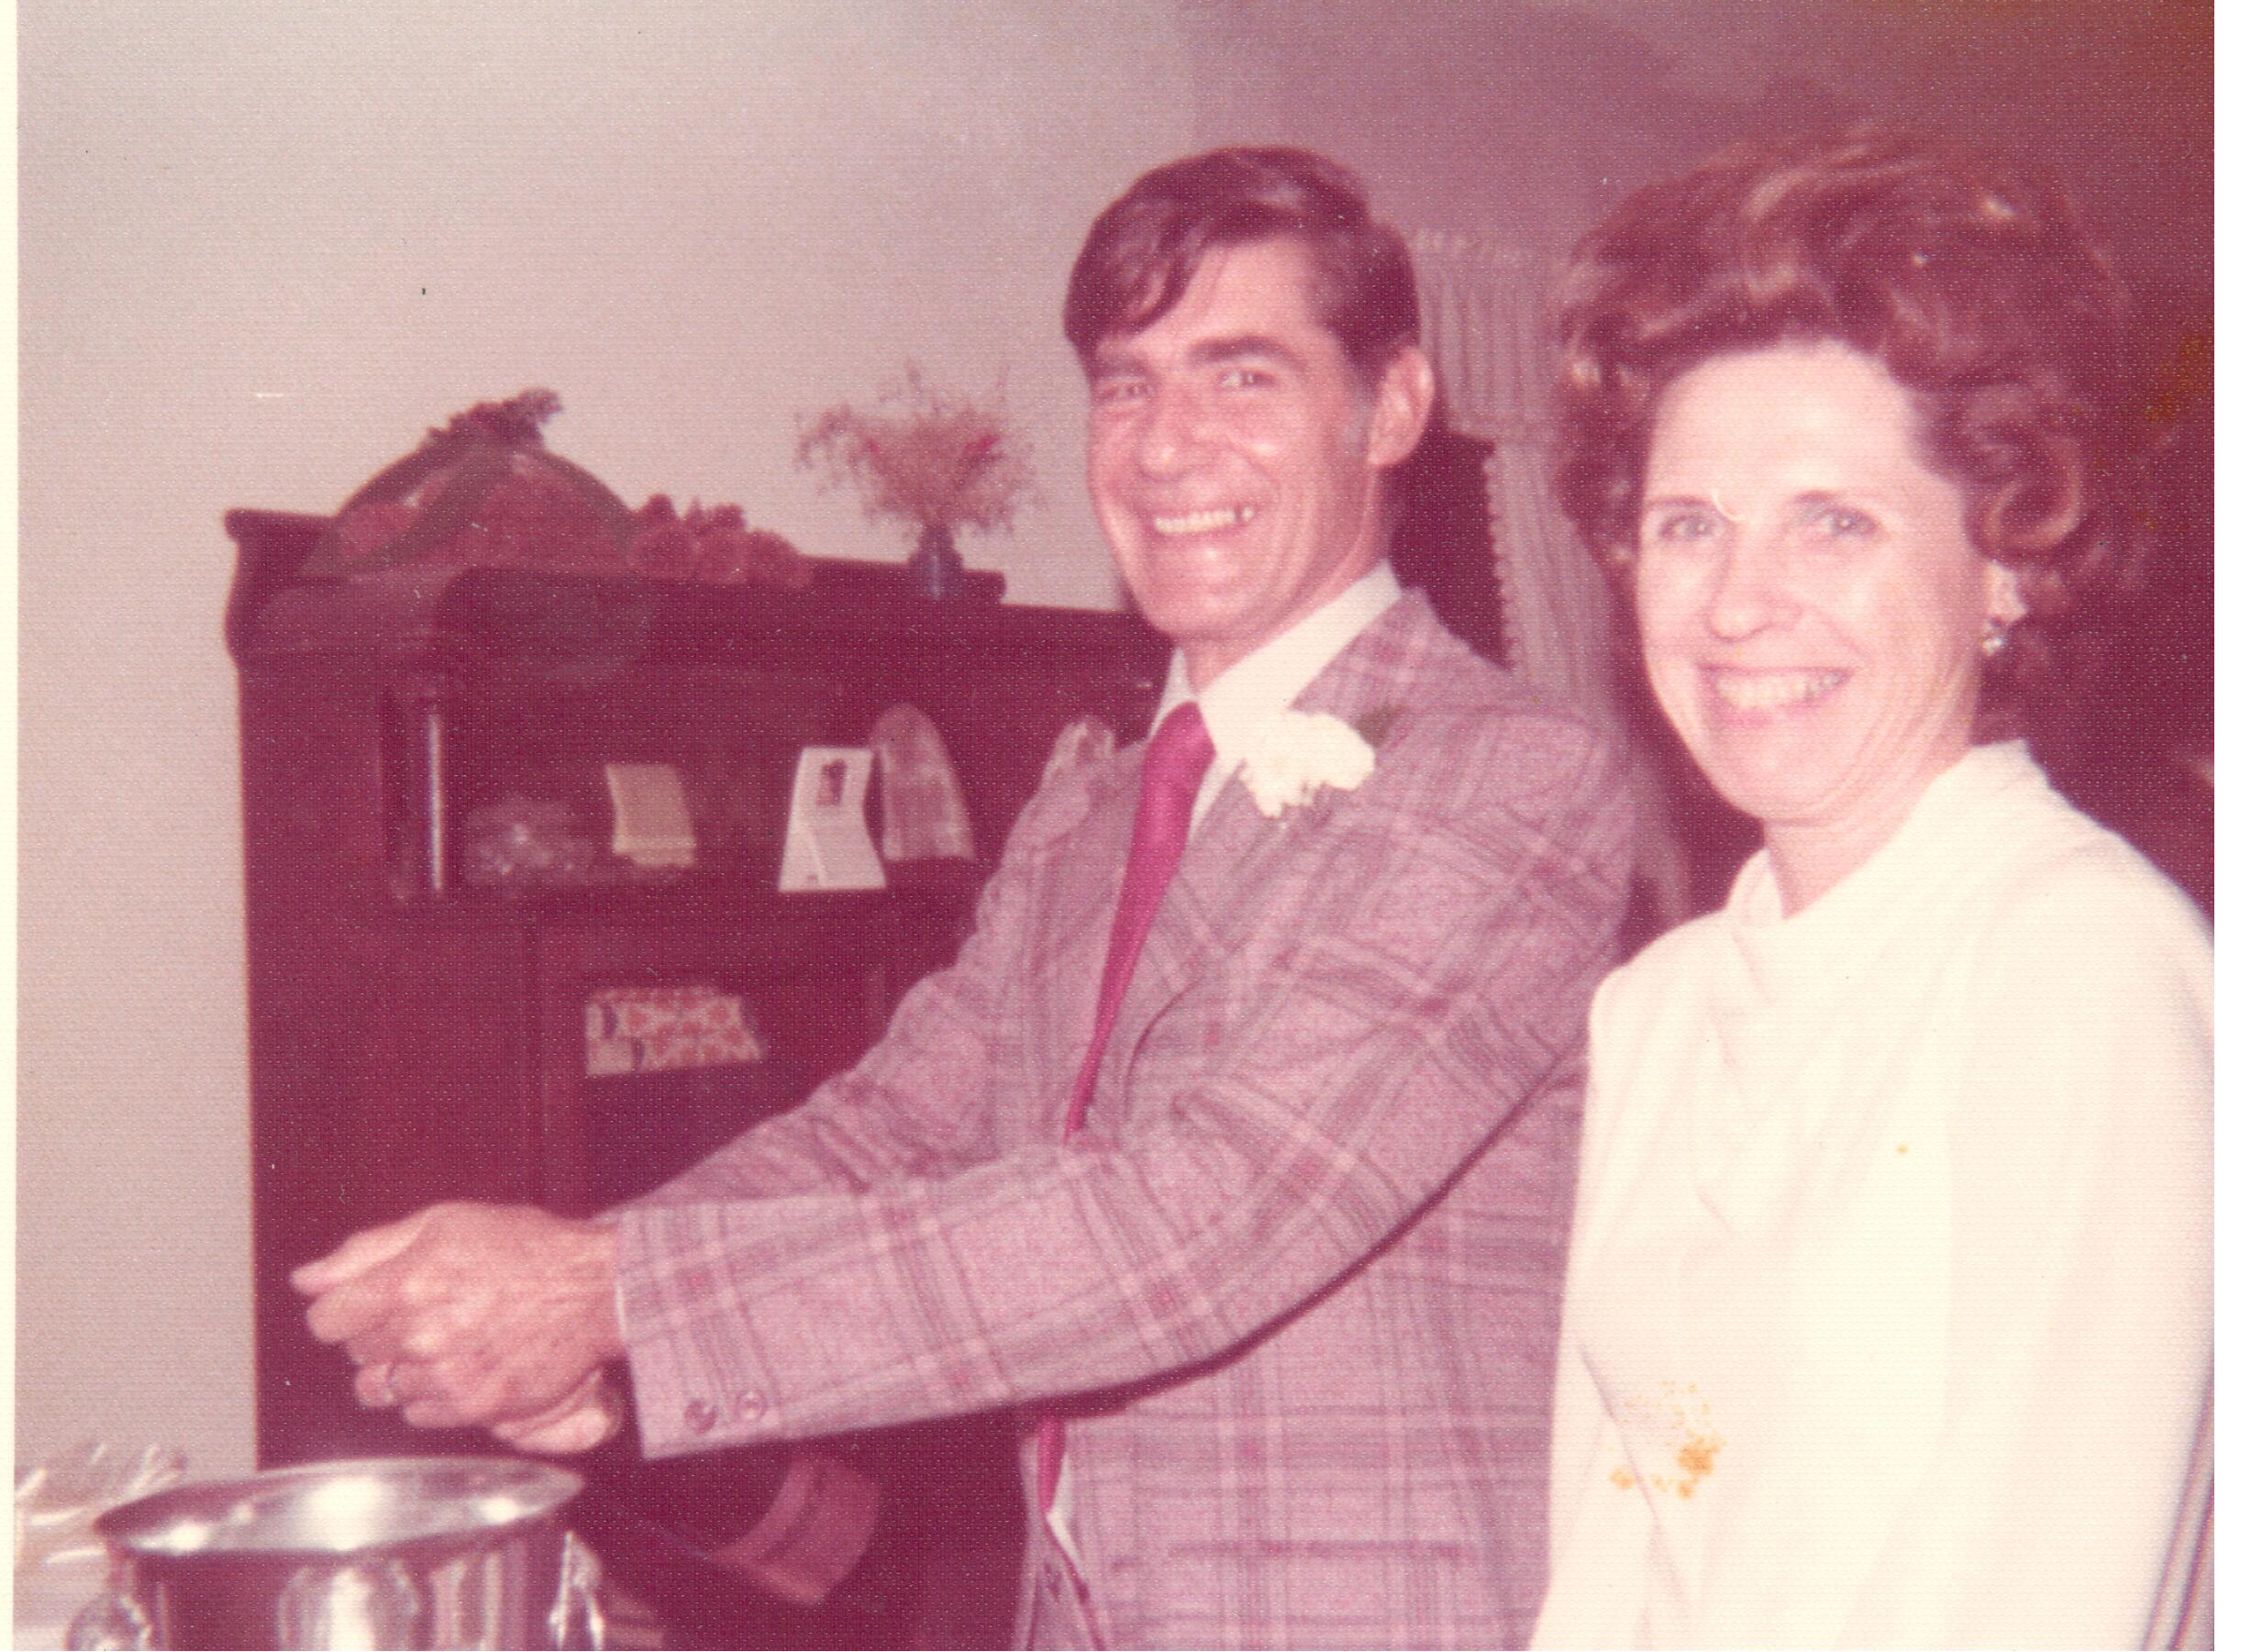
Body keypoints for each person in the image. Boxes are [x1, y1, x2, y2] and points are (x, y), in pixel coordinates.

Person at [295, 146, 1636, 1650]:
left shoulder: (1506, 772)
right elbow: (890, 1132)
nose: (1166, 447)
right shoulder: (1084, 813)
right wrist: (569, 1320)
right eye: (1124, 387)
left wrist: (607, 1294)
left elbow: (1205, 1217)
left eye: (1241, 377)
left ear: (1389, 409)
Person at [1530, 123, 2212, 1649]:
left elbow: (2050, 1600)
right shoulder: (1658, 1007)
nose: (1737, 603)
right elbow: (1613, 1554)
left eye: (1831, 522)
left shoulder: (2081, 965)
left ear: (2006, 566)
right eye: (1687, 526)